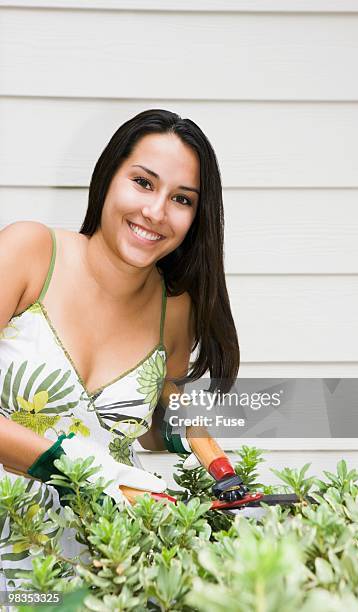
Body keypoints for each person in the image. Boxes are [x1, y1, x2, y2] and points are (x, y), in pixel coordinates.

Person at [0, 109, 245, 588]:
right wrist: (89, 471)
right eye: (143, 182)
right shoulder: (28, 252)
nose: (156, 212)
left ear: (198, 216)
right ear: (107, 177)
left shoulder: (176, 312)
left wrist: (219, 468)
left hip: (104, 568)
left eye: (181, 198)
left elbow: (156, 424)